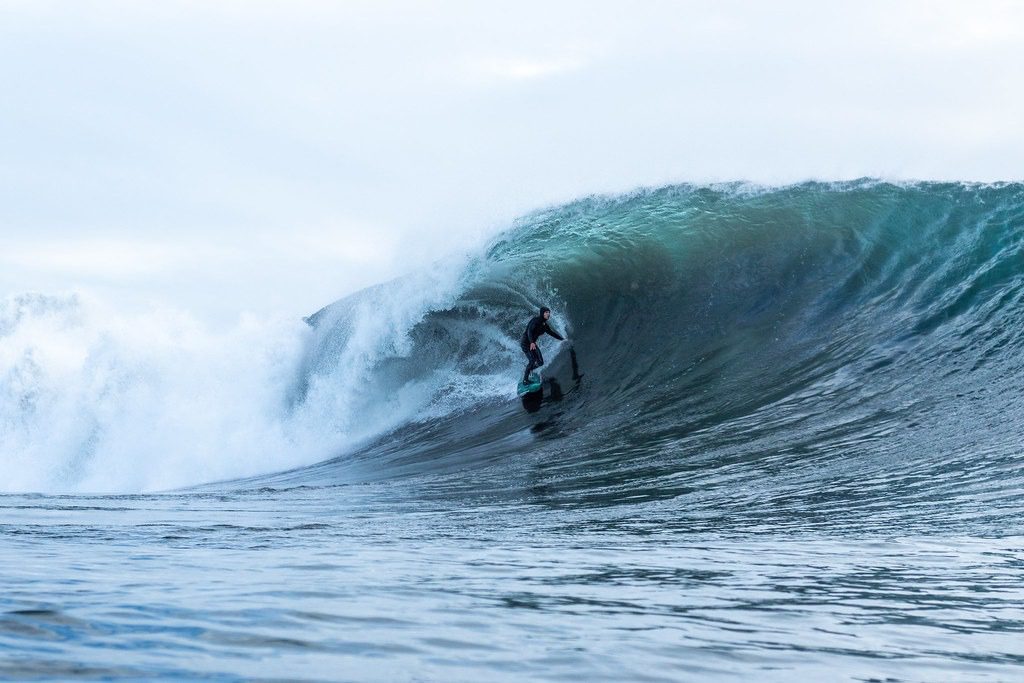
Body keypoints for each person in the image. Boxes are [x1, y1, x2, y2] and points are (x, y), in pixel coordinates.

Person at [521, 306, 565, 384]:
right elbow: (529, 331)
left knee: (540, 362)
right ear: (542, 313)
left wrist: (563, 339)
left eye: (549, 312)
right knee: (532, 361)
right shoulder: (535, 321)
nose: (548, 314)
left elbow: (552, 333)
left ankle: (528, 369)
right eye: (546, 312)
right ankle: (525, 380)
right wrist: (531, 342)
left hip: (532, 344)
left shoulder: (544, 325)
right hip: (526, 343)